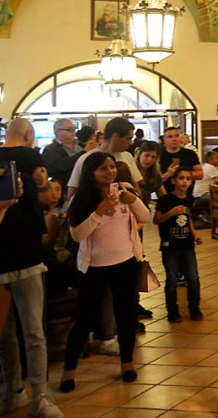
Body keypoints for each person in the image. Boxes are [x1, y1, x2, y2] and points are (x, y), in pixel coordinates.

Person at [59, 152, 150, 392]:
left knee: (126, 315)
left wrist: (133, 200)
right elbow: (77, 235)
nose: (110, 171)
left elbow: (146, 217)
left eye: (111, 166)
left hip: (126, 262)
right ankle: (69, 371)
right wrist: (99, 211)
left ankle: (127, 364)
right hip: (93, 267)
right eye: (103, 168)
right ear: (91, 174)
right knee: (85, 318)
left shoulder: (124, 190)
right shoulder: (81, 199)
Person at [0, 119, 61, 418]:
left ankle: (13, 391)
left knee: (5, 333)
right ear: (27, 135)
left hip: (2, 252)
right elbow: (47, 197)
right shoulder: (33, 158)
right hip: (25, 252)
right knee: (34, 331)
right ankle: (40, 396)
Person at [154, 167, 203, 322]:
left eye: (188, 179)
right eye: (181, 178)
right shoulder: (165, 200)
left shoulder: (189, 199)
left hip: (187, 245)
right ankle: (172, 311)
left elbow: (188, 219)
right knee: (172, 280)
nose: (185, 181)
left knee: (193, 278)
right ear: (174, 181)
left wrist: (195, 235)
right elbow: (156, 220)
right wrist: (171, 213)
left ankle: (194, 309)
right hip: (170, 246)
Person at [67, 118, 143, 199]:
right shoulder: (86, 158)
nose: (131, 143)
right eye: (128, 138)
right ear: (115, 136)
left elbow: (136, 187)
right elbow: (72, 193)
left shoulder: (127, 156)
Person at [158, 127, 203, 197]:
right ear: (164, 140)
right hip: (164, 196)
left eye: (177, 136)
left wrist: (183, 174)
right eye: (170, 137)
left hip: (187, 195)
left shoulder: (190, 154)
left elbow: (200, 174)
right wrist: (169, 173)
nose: (174, 139)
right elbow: (154, 181)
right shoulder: (158, 155)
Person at [42, 118, 79, 197]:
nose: (73, 133)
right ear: (57, 131)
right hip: (63, 192)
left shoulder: (79, 147)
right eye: (69, 130)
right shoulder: (50, 149)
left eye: (74, 130)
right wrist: (82, 154)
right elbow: (60, 166)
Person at [133, 141, 164, 206]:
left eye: (153, 157)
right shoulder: (130, 171)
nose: (149, 160)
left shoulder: (155, 174)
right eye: (147, 155)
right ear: (139, 154)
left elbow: (163, 197)